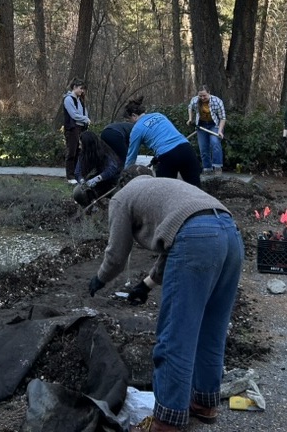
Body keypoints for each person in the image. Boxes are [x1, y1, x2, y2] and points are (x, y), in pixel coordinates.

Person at [87, 175, 243, 432]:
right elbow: (175, 241)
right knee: (211, 330)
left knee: (175, 336)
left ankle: (166, 421)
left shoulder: (120, 199)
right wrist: (146, 285)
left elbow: (116, 255)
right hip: (229, 233)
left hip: (197, 237)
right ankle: (205, 404)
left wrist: (100, 278)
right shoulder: (160, 188)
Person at [123, 97, 202, 189]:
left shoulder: (137, 129)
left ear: (133, 115)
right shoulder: (159, 115)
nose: (130, 122)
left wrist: (126, 174)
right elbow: (165, 136)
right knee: (195, 187)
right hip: (186, 149)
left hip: (167, 156)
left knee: (163, 191)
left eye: (129, 119)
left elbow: (131, 156)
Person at [72, 130, 123, 207]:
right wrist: (81, 180)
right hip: (94, 186)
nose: (79, 147)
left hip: (112, 184)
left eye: (81, 145)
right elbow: (77, 172)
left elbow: (112, 168)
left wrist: (98, 178)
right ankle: (89, 208)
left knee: (120, 199)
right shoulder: (83, 155)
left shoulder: (105, 152)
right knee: (77, 193)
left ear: (87, 146)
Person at [187, 86, 226, 175]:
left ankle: (217, 167)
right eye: (200, 96)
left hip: (214, 125)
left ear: (209, 92)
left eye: (204, 96)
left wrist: (220, 131)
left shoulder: (217, 101)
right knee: (203, 147)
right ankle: (207, 168)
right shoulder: (195, 100)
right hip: (201, 125)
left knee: (215, 142)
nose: (202, 98)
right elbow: (190, 108)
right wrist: (190, 119)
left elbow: (223, 118)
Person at [61, 79, 90, 184]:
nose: (82, 91)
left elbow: (84, 112)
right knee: (71, 152)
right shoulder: (68, 99)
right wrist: (85, 119)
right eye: (80, 88)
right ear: (74, 87)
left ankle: (76, 174)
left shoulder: (79, 100)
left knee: (79, 152)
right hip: (72, 128)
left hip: (80, 128)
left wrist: (86, 120)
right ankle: (70, 176)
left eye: (83, 89)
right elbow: (74, 114)